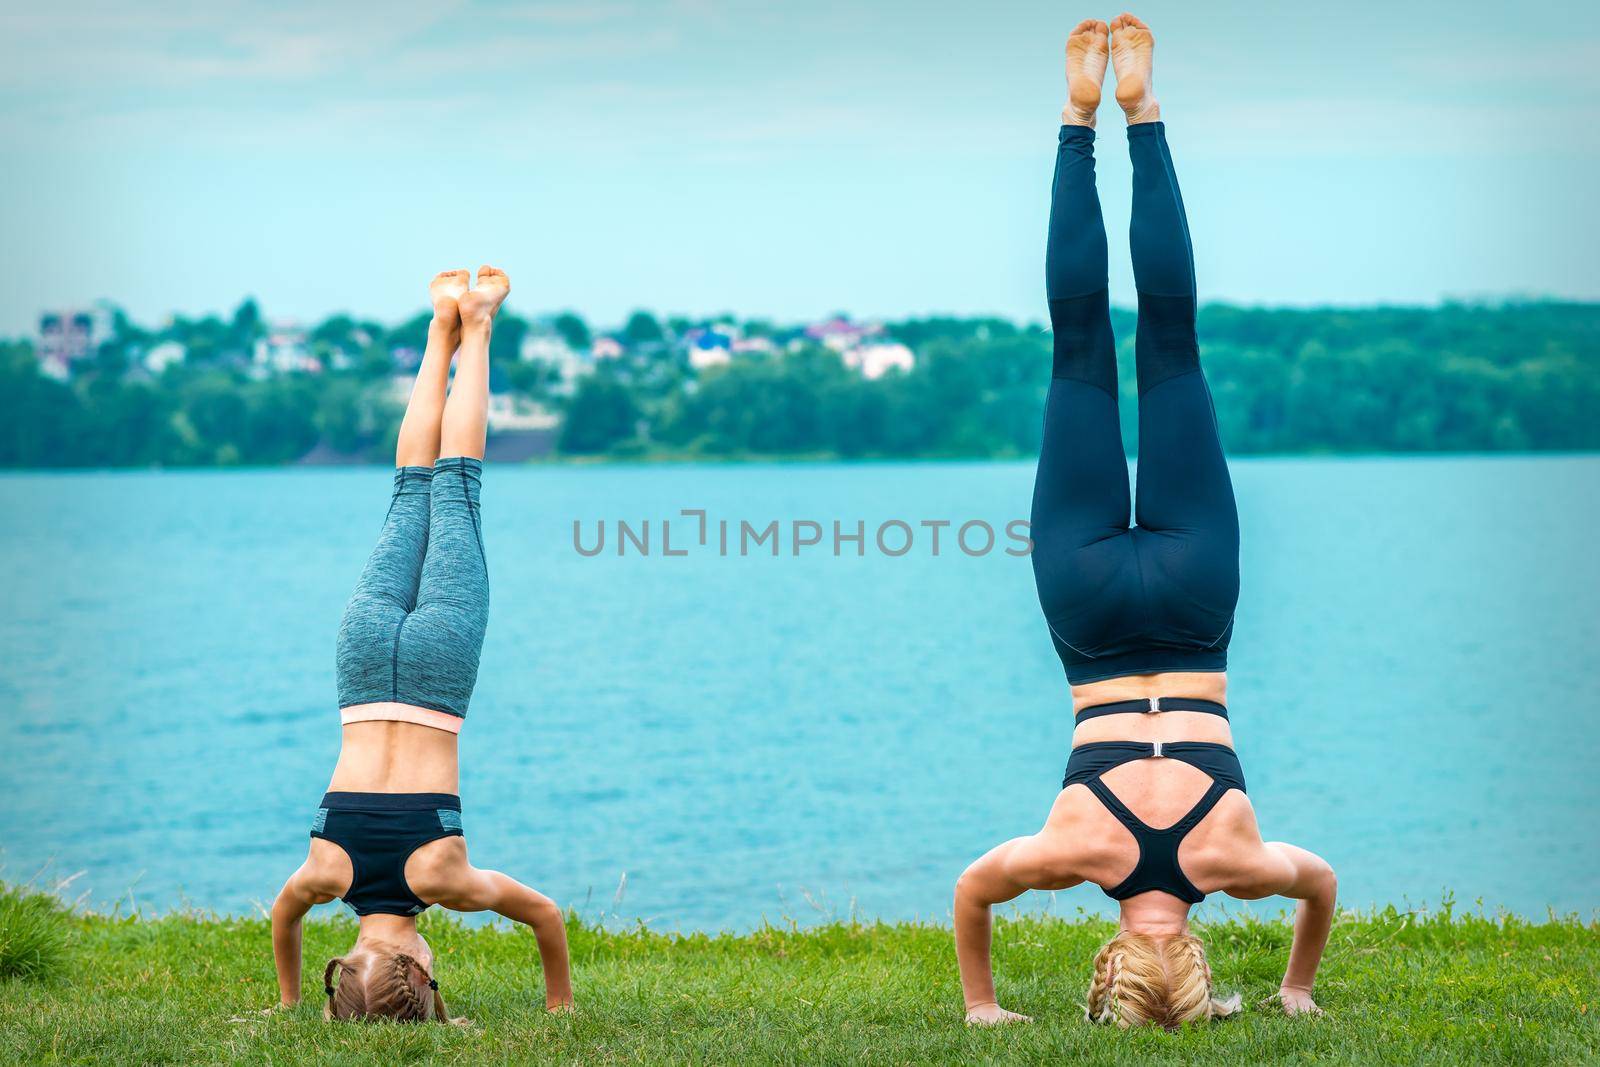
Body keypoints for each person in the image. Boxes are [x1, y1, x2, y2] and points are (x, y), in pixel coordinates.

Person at [953, 15, 1336, 1030]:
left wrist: (1295, 983)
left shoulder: (1235, 861)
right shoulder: (1070, 853)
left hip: (1196, 598)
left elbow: (1322, 884)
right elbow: (971, 893)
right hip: (1089, 609)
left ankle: (1141, 111)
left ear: (1189, 966)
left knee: (1172, 346)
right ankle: (1082, 118)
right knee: (1077, 349)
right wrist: (981, 1004)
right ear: (1109, 961)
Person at [267, 266, 574, 1022]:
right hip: (365, 663)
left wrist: (561, 1003)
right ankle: (440, 325)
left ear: (422, 970)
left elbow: (547, 916)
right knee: (409, 489)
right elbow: (283, 919)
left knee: (456, 485)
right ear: (347, 965)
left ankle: (480, 320)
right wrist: (285, 998)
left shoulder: (444, 876)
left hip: (437, 670)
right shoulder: (322, 868)